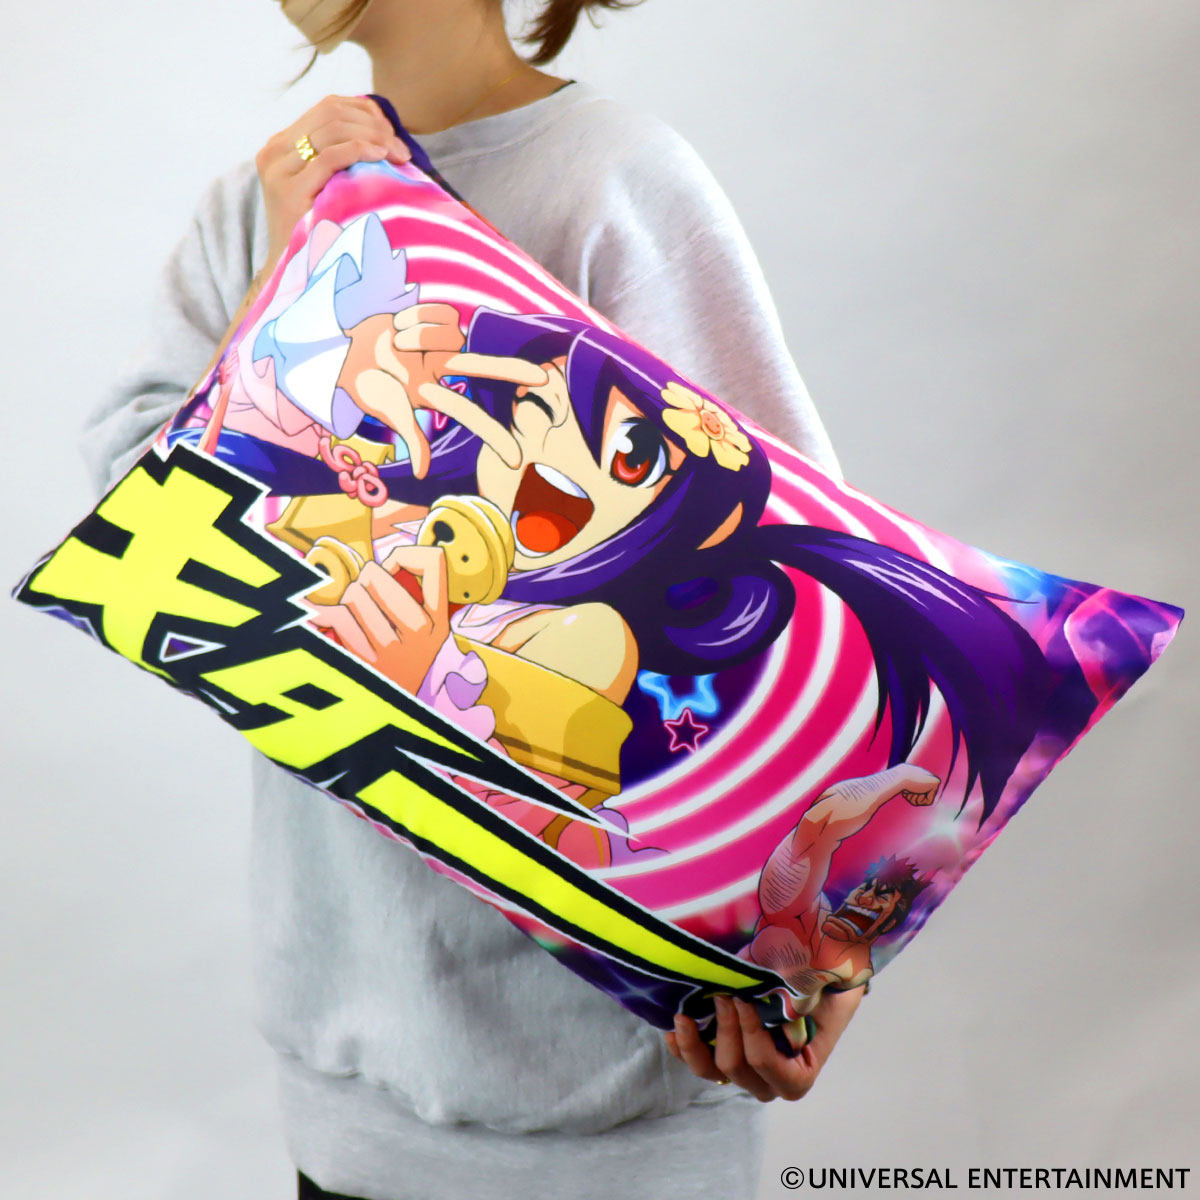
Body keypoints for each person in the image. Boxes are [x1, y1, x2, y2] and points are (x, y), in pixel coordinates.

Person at [81, 1, 865, 1195]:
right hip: (350, 1084)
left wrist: (828, 947)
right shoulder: (260, 202)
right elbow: (135, 527)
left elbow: (812, 577)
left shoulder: (613, 179)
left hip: (625, 1106)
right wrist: (291, 287)